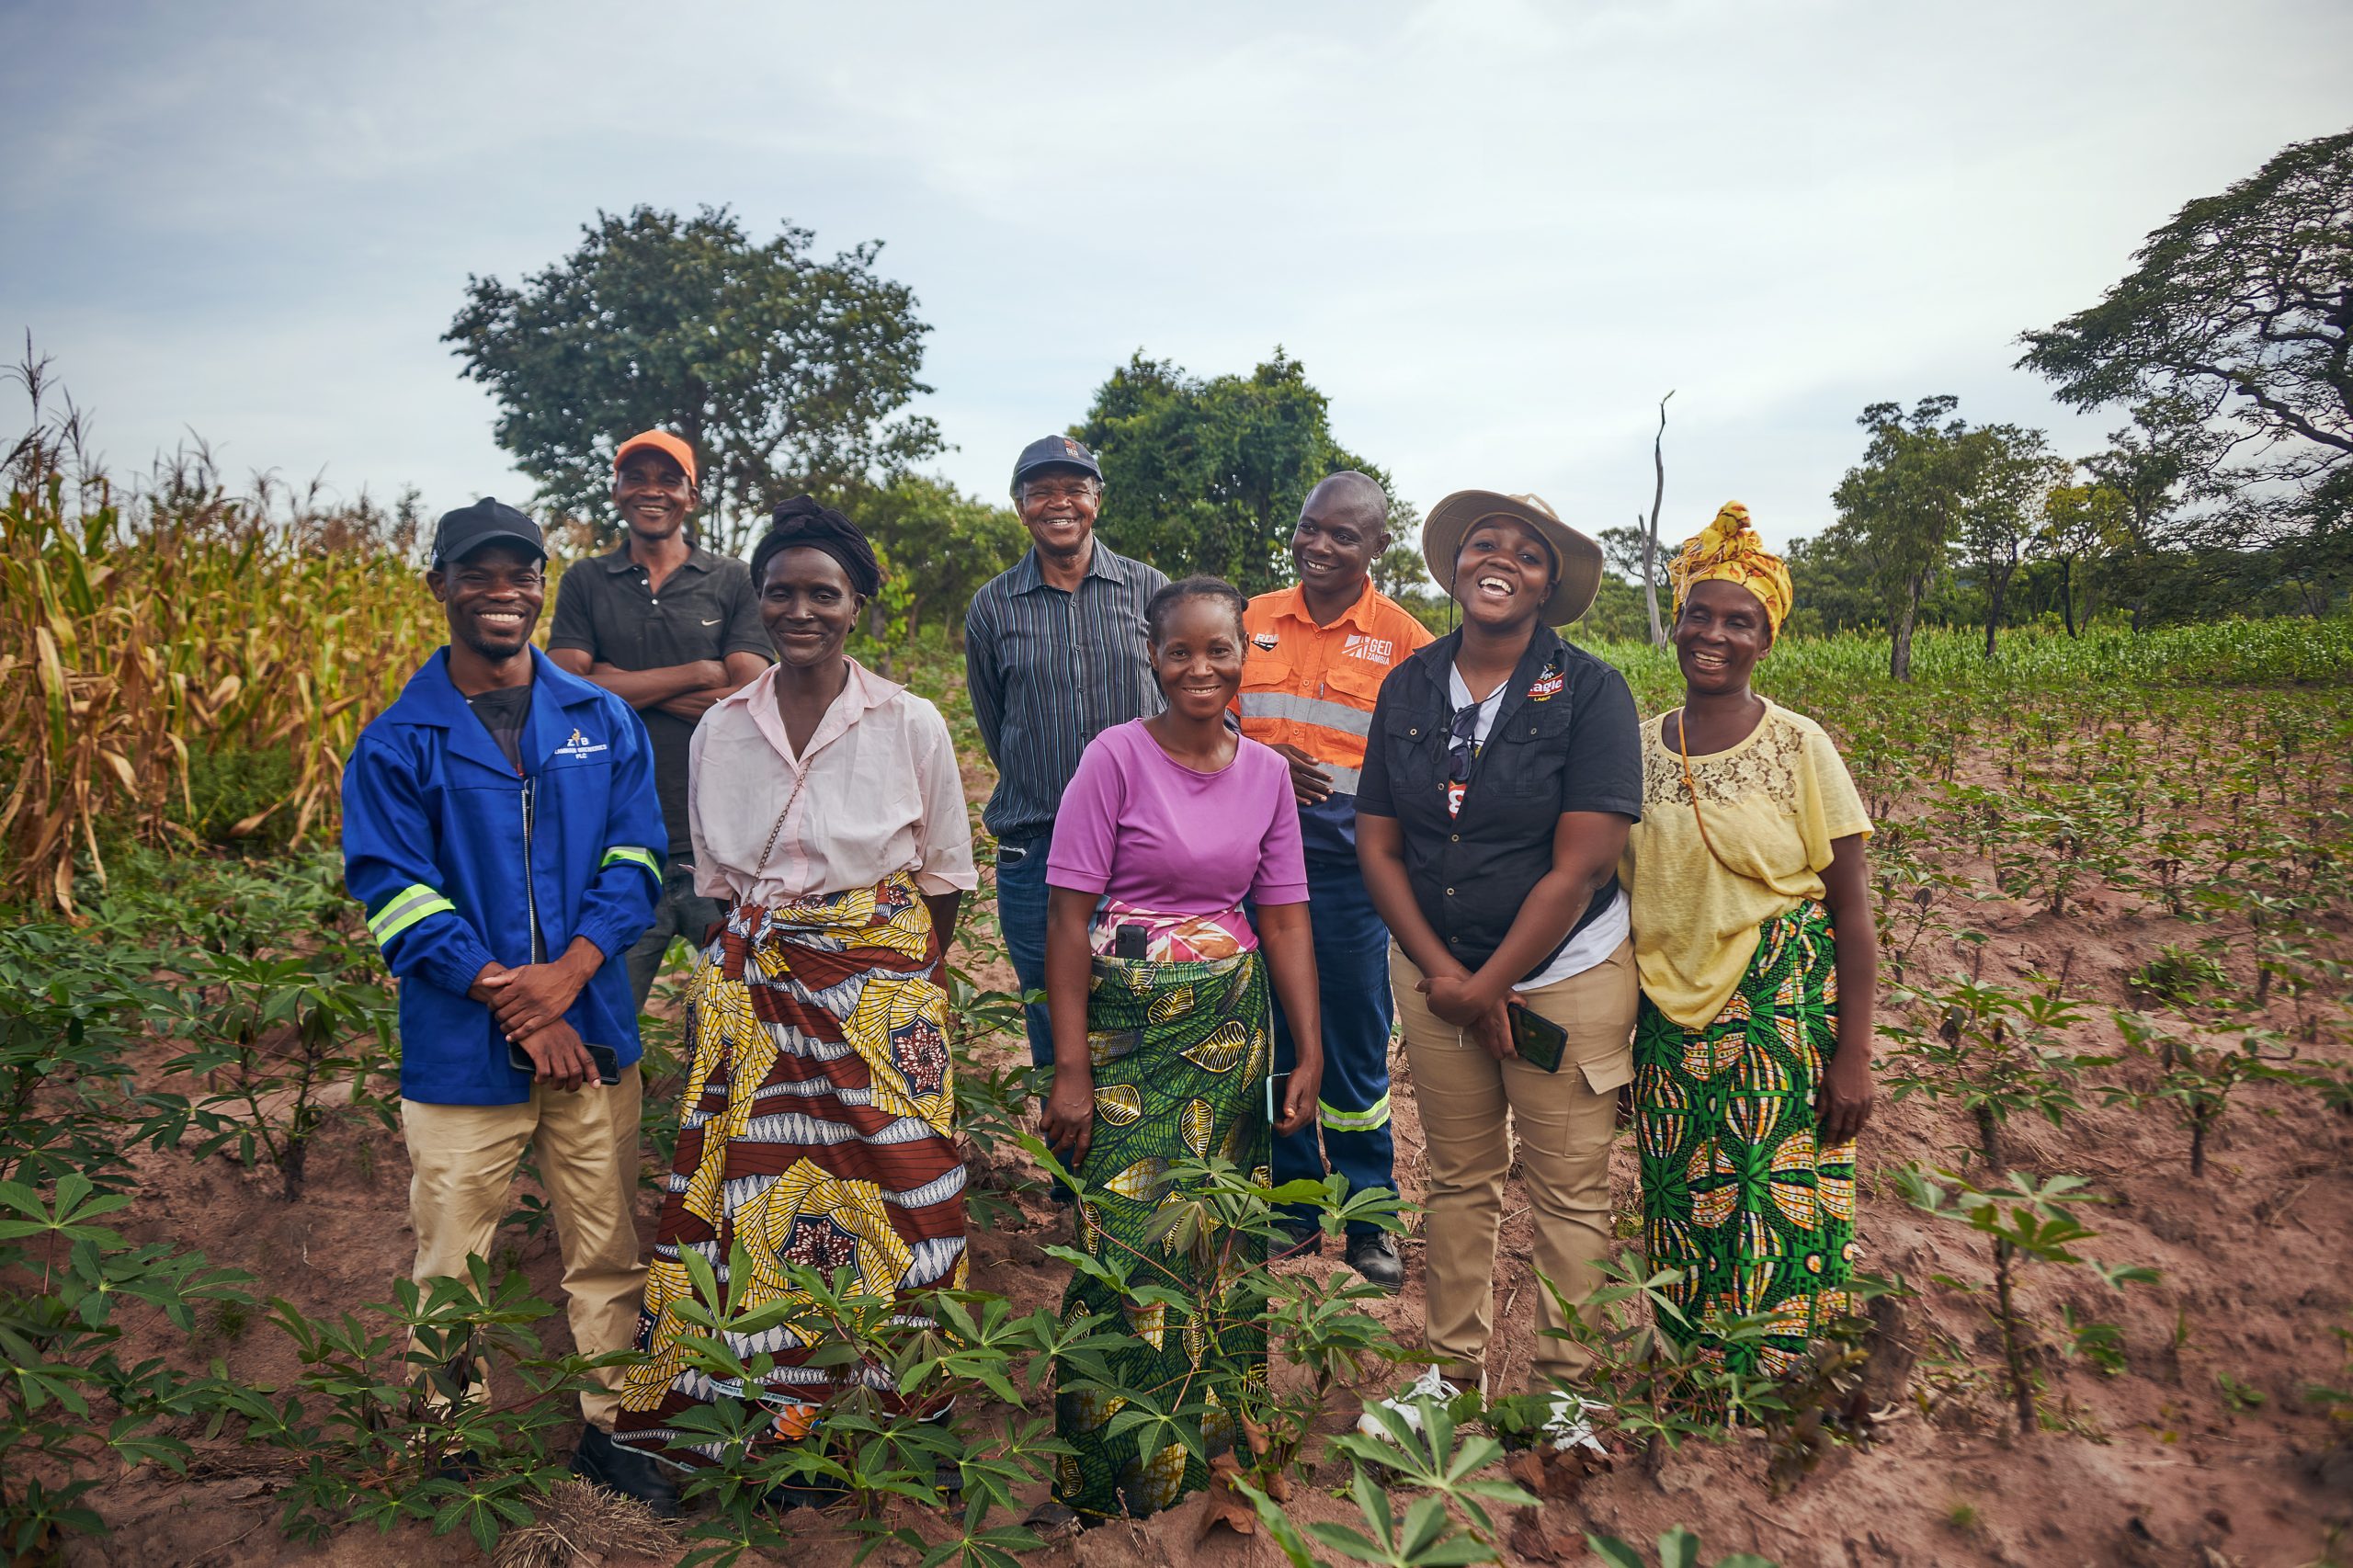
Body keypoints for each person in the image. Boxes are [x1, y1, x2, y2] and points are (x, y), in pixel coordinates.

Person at [613, 497, 977, 1481]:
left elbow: (944, 874)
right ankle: (779, 1425)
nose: (800, 610)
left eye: (824, 593)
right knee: (763, 1195)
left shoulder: (910, 720)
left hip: (883, 993)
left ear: (857, 605)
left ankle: (901, 1415)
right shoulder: (722, 729)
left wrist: (887, 982)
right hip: (761, 989)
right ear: (759, 602)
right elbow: (719, 882)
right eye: (781, 592)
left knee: (911, 1192)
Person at [340, 497, 676, 1513]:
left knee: (606, 1246)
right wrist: (522, 1004)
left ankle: (612, 1429)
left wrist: (568, 976)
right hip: (461, 1050)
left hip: (593, 1032)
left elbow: (637, 858)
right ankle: (449, 1437)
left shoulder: (600, 719)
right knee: (451, 1255)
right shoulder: (399, 740)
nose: (502, 592)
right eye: (477, 574)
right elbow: (395, 892)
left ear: (540, 586)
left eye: (520, 574)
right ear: (438, 586)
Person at [1353, 491, 1640, 1447]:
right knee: (1459, 1176)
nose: (1501, 561)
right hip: (1433, 976)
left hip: (1565, 977)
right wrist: (1448, 977)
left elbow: (1580, 863)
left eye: (1527, 552)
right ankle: (1448, 1376)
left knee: (1568, 1187)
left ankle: (1562, 1397)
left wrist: (1486, 987)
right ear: (1454, 564)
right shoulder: (1408, 685)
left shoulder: (1591, 691)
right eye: (1485, 544)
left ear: (1548, 584)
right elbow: (1379, 844)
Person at [1037, 576, 1324, 1523]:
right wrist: (1071, 1068)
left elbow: (1284, 920)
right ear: (1153, 659)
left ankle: (1205, 1458)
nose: (1201, 668)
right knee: (1123, 1239)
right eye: (1180, 652)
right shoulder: (1114, 757)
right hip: (1127, 1034)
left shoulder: (1267, 774)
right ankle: (1100, 1478)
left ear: (1245, 656)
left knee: (1218, 1244)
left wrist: (1308, 1051)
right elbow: (1067, 920)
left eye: (1219, 650)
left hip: (1229, 1034)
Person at [1622, 502, 1875, 1380]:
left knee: (1777, 1200)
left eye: (1740, 622)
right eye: (1700, 615)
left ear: (1766, 639)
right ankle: (1692, 1378)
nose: (1714, 636)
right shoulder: (1634, 748)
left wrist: (1854, 1055)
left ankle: (1785, 1386)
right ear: (1676, 623)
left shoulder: (1799, 744)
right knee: (1680, 1200)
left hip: (1779, 1009)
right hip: (1668, 1015)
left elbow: (1852, 911)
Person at [1236, 472, 1430, 1290]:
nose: (1318, 545)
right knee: (1273, 1034)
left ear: (1377, 546)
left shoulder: (1407, 642)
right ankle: (1291, 1207)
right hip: (1250, 865)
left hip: (1349, 877)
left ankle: (1369, 1216)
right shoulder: (1250, 620)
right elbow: (1204, 717)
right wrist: (1260, 758)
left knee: (1353, 1045)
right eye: (1310, 527)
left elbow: (1422, 767)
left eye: (1342, 535)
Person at [964, 436, 1167, 1074]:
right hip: (1038, 849)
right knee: (1053, 1014)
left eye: (1074, 489)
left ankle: (1141, 1141)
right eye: (1041, 491)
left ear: (1096, 500)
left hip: (1141, 840)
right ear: (1019, 505)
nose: (1060, 503)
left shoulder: (1150, 590)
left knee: (1144, 1007)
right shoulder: (992, 605)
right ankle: (1068, 1141)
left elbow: (1179, 706)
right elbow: (996, 724)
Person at [549, 430, 772, 1011]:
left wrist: (614, 683)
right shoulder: (585, 581)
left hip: (720, 847)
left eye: (669, 480)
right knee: (602, 1024)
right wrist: (698, 672)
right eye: (637, 478)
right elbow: (562, 690)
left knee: (744, 1022)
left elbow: (748, 695)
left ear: (691, 497)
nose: (652, 491)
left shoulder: (732, 579)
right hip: (616, 850)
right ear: (617, 492)